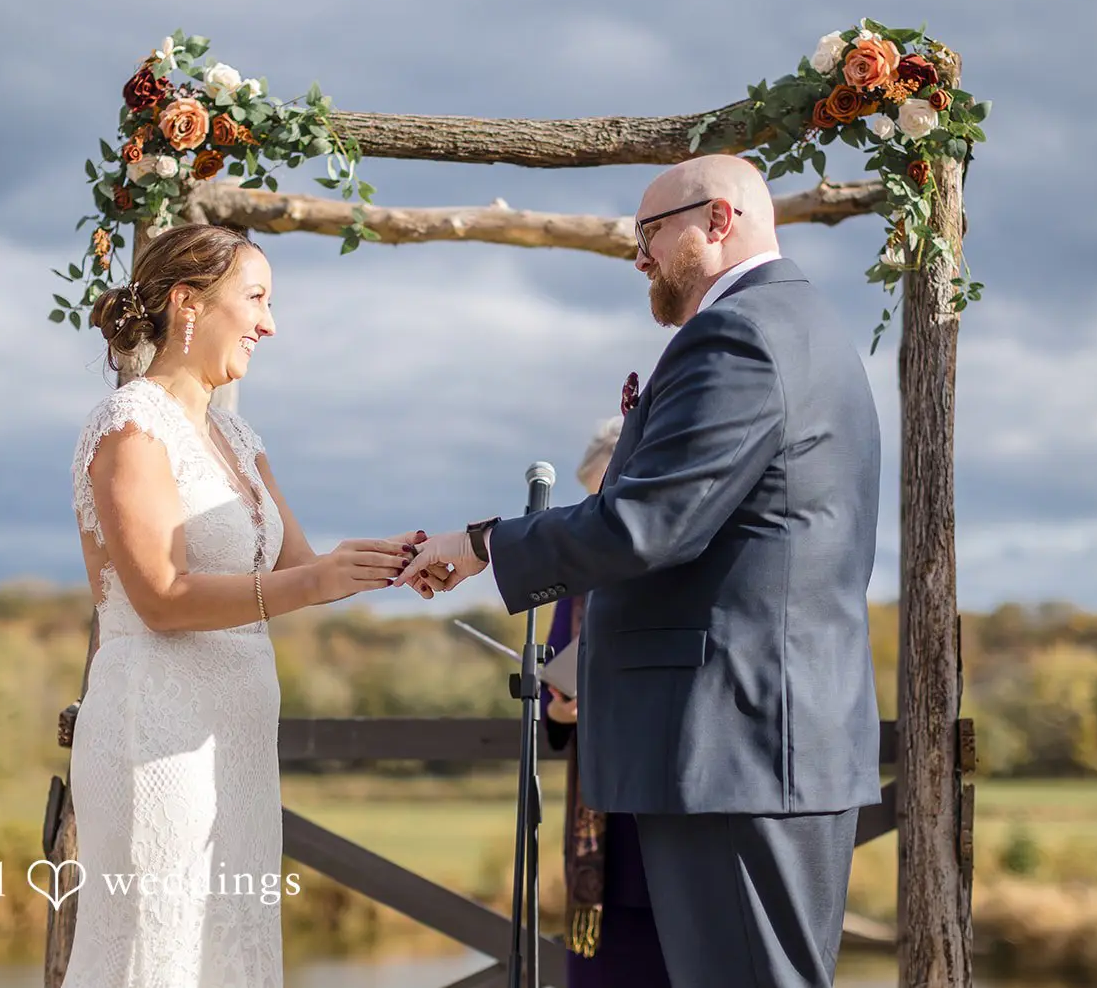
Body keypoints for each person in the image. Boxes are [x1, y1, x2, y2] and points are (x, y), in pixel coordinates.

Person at [398, 153, 883, 988]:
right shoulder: (799, 325)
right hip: (765, 741)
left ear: (718, 220)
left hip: (737, 745)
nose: (639, 257)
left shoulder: (739, 336)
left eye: (650, 233)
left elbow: (648, 523)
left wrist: (484, 542)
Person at [63, 223, 438, 988]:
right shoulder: (130, 425)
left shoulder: (237, 434)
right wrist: (318, 580)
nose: (271, 323)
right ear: (187, 302)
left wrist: (404, 564)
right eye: (258, 299)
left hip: (235, 738)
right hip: (155, 732)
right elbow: (162, 598)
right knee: (156, 955)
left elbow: (300, 565)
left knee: (228, 953)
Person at [542, 415, 671, 988]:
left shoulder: (676, 567)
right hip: (603, 827)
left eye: (610, 497)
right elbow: (553, 683)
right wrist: (558, 711)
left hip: (670, 804)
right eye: (593, 499)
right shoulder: (575, 579)